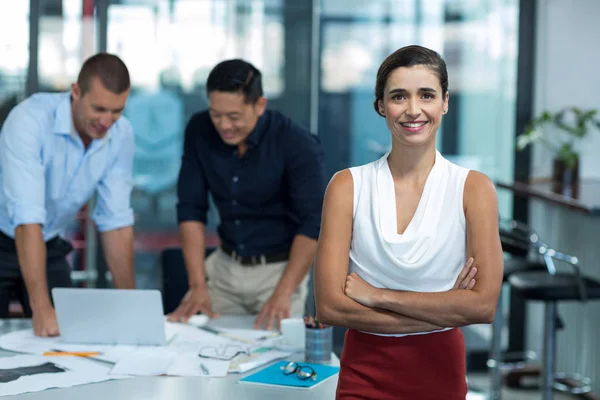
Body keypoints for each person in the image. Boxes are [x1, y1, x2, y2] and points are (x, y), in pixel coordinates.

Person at [314, 45, 504, 399]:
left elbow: (482, 306)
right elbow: (329, 305)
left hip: (439, 373)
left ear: (445, 102)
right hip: (363, 374)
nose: (413, 110)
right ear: (381, 106)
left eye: (427, 95)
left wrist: (376, 295)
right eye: (399, 96)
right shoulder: (347, 187)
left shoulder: (473, 189)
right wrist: (447, 307)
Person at [168, 59, 326, 331]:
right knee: (195, 344)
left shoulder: (296, 142)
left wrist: (283, 292)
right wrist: (197, 285)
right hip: (225, 268)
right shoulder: (200, 130)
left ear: (260, 105)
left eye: (234, 116)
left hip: (279, 273)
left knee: (275, 361)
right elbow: (191, 209)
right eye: (216, 114)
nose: (224, 125)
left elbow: (313, 223)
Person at [0, 53, 137, 337]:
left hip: (47, 242)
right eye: (99, 108)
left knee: (68, 339)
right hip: (11, 232)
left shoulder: (121, 134)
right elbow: (27, 218)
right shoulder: (29, 120)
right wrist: (41, 307)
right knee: (42, 320)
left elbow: (116, 222)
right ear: (75, 92)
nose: (107, 121)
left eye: (117, 111)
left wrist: (132, 307)